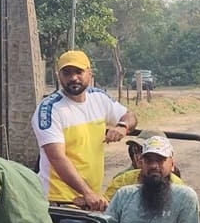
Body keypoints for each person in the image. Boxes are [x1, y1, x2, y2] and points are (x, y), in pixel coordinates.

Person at [33, 50, 138, 211]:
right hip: (59, 200)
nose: (73, 77)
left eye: (79, 71)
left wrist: (123, 126)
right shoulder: (49, 109)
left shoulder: (99, 98)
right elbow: (57, 158)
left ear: (90, 73)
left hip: (91, 199)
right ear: (58, 76)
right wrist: (87, 192)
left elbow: (130, 116)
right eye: (67, 73)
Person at [106, 139, 185, 195]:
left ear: (172, 164)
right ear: (140, 163)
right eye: (148, 160)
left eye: (160, 160)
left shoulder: (180, 190)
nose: (153, 166)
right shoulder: (122, 182)